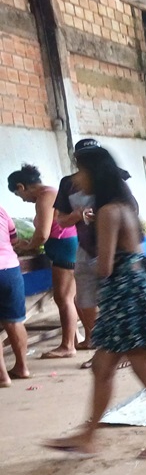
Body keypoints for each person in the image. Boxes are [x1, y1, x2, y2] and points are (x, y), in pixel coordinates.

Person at [43, 144, 146, 460]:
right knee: (102, 366)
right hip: (130, 290)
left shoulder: (109, 211)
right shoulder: (124, 205)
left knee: (144, 368)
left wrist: (79, 271)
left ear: (94, 174)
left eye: (80, 172)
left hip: (123, 292)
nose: (75, 180)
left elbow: (106, 266)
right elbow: (140, 258)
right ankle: (87, 435)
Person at [7, 163, 78, 358]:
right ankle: (77, 340)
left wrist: (26, 246)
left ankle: (67, 346)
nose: (22, 200)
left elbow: (43, 234)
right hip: (63, 246)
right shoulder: (47, 194)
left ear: (21, 187)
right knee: (68, 298)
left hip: (63, 246)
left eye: (18, 195)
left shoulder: (45, 197)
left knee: (63, 298)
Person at [52, 138, 109, 353]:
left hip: (110, 250)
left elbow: (131, 210)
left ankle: (116, 350)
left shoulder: (112, 177)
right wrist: (77, 215)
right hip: (84, 250)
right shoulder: (68, 184)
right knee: (85, 300)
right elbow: (60, 220)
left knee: (111, 300)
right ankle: (97, 345)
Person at [0, 203, 31, 386]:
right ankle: (22, 367)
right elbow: (13, 238)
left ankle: (3, 376)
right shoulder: (1, 209)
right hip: (10, 269)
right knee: (14, 321)